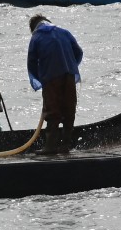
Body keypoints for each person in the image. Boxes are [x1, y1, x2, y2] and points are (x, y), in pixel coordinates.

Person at [26, 13, 83, 155]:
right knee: (69, 109)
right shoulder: (64, 32)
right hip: (69, 75)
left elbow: (31, 63)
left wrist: (40, 78)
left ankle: (50, 146)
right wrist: (71, 66)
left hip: (51, 77)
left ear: (34, 28)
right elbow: (78, 52)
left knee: (52, 112)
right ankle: (65, 145)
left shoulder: (36, 37)